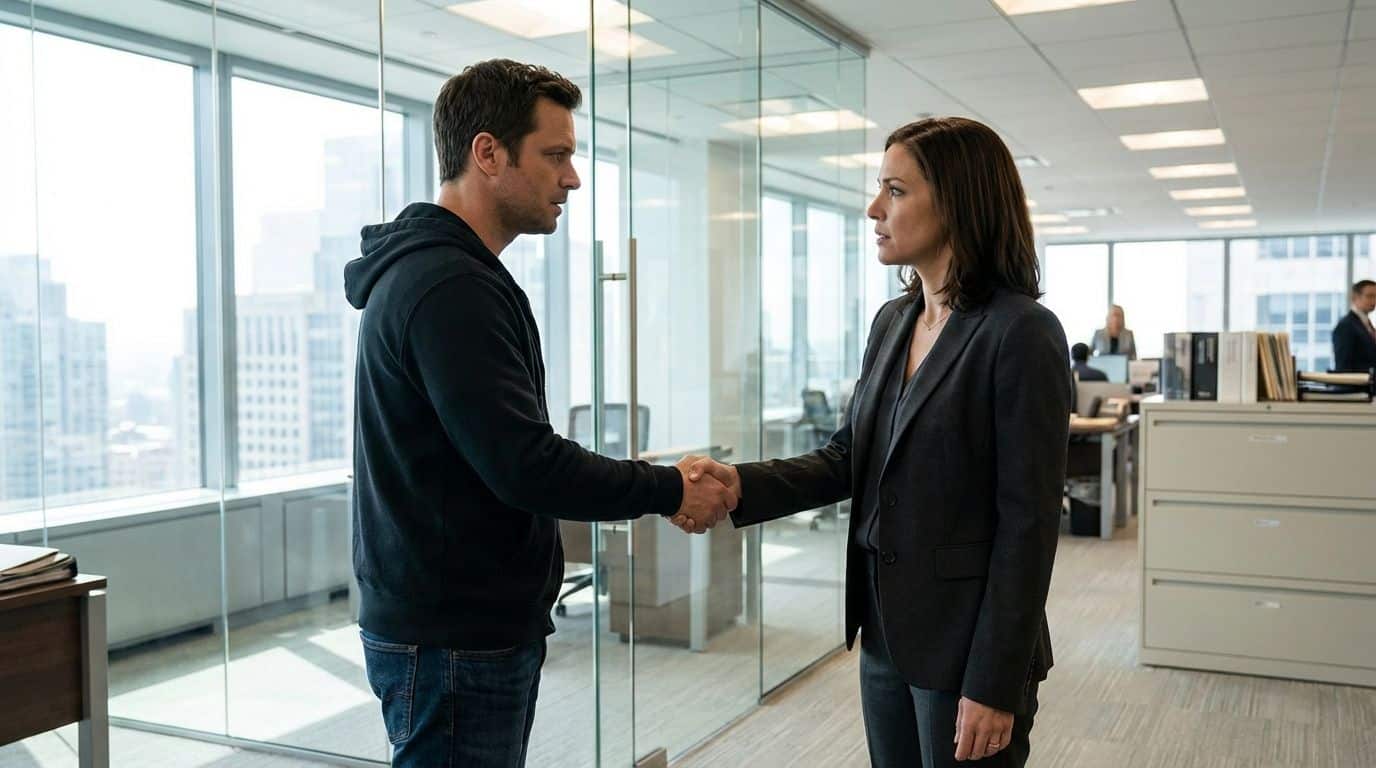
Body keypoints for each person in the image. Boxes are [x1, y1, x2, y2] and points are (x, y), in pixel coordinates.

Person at [344, 59, 736, 768]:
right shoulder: (448, 286)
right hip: (454, 636)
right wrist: (669, 488)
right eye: (555, 155)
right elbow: (525, 465)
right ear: (488, 153)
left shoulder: (451, 275)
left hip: (455, 622)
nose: (572, 178)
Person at [677, 117, 1069, 767]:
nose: (873, 209)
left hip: (966, 643)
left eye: (896, 190)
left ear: (957, 201)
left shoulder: (1020, 331)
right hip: (886, 631)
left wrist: (994, 682)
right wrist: (741, 483)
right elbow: (848, 457)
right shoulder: (894, 321)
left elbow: (1028, 526)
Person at [1333, 279, 1376, 373]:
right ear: (1355, 297)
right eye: (1370, 296)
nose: (1374, 301)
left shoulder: (1366, 324)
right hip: (1358, 381)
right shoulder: (1346, 326)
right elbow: (1343, 367)